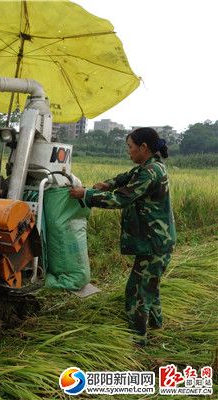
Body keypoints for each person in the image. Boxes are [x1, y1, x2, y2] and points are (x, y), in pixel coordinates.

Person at [69, 127, 176, 346]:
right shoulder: (147, 166)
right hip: (155, 242)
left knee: (136, 293)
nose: (128, 152)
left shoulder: (150, 172)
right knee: (150, 289)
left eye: (130, 147)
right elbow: (124, 178)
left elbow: (121, 199)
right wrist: (106, 184)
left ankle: (138, 342)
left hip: (155, 243)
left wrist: (87, 194)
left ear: (143, 148)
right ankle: (157, 330)